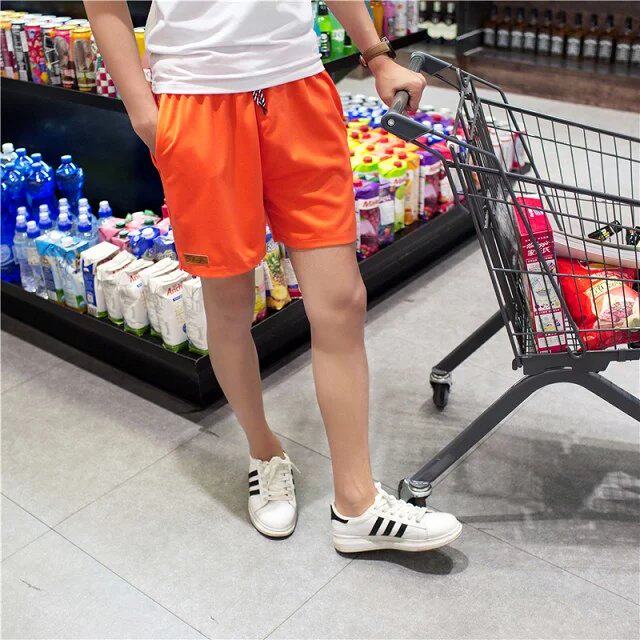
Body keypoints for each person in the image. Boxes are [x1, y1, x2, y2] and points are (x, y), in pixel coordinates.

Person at [85, 0, 462, 553]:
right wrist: (144, 112)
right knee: (228, 305)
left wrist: (377, 55)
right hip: (197, 99)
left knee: (342, 301)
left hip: (298, 86)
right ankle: (264, 452)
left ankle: (356, 502)